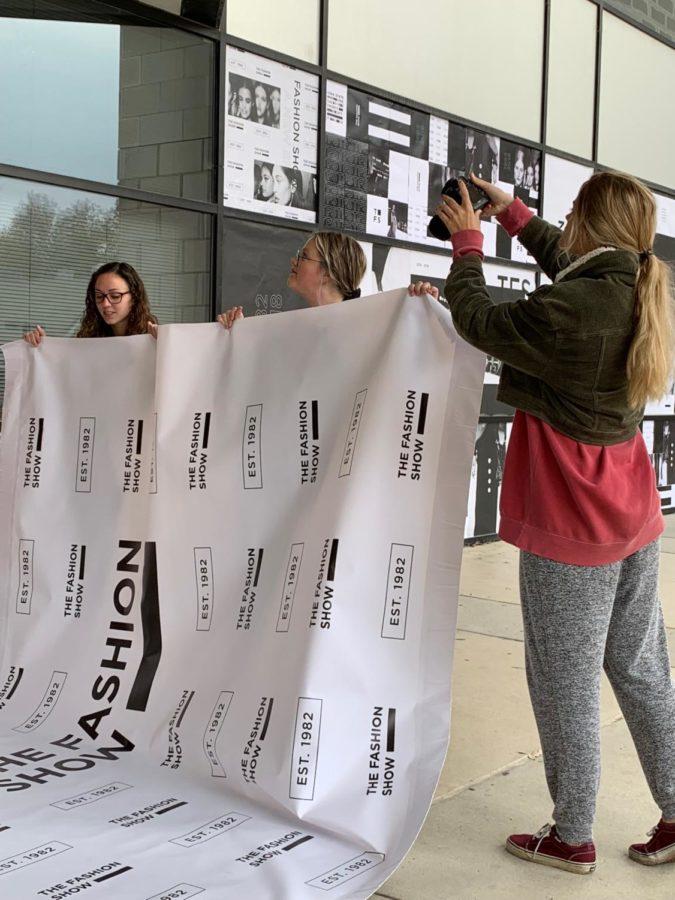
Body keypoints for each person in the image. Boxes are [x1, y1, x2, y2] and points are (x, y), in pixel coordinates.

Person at [428, 170, 675, 874]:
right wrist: (512, 215)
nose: (561, 222)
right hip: (628, 511)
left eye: (570, 213)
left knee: (563, 680)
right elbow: (570, 269)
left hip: (574, 518)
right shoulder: (632, 282)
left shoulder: (577, 305)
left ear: (594, 225)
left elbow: (480, 321)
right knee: (639, 669)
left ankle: (570, 835)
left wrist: (467, 244)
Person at [23, 261, 157, 345]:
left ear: (134, 297)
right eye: (99, 296)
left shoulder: (153, 339)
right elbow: (63, 374)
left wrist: (166, 347)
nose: (105, 304)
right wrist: (43, 347)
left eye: (115, 296)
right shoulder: (89, 340)